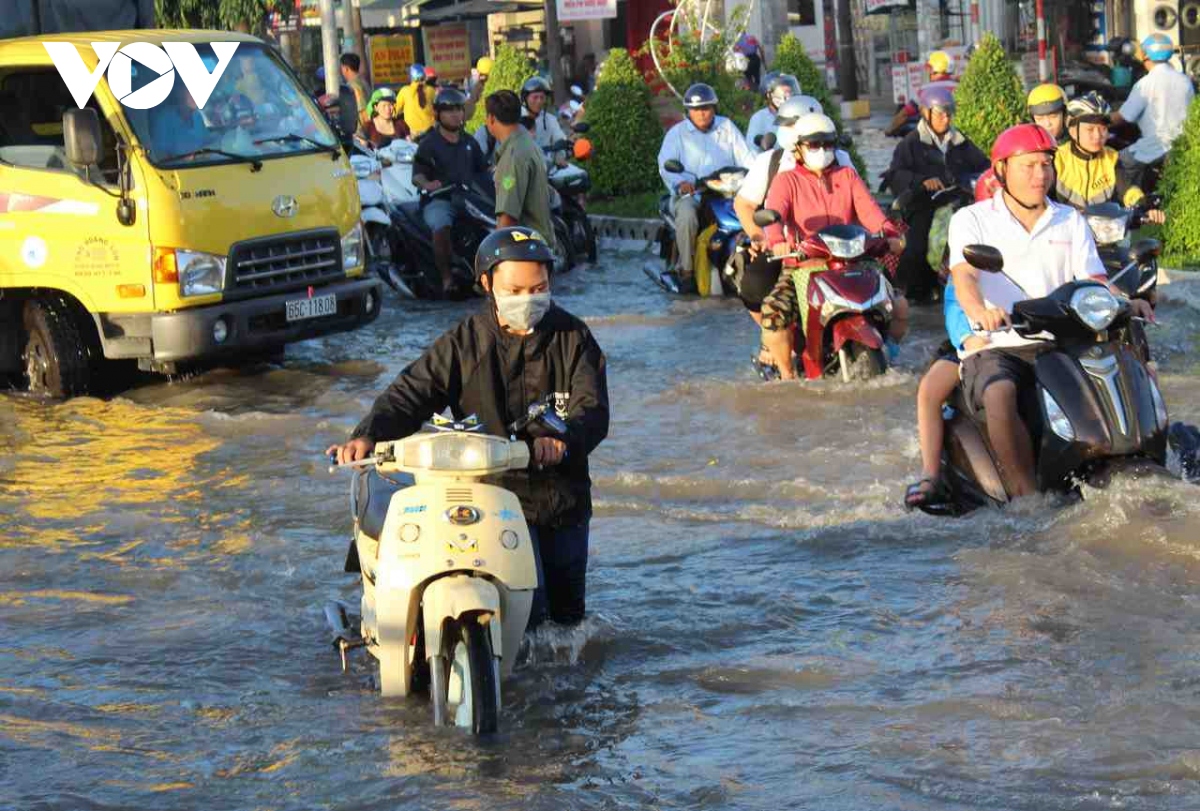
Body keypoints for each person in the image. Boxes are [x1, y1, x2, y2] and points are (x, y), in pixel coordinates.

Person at [327, 227, 609, 628]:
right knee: (522, 616)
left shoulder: (574, 338)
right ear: (486, 283)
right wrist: (368, 434)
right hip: (492, 505)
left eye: (539, 288)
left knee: (566, 629)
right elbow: (411, 394)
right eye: (515, 290)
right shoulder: (464, 343)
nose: (528, 300)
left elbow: (593, 410)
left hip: (563, 503)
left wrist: (563, 441)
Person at [947, 124, 1154, 498]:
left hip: (1062, 339)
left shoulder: (1069, 219)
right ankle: (1026, 498)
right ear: (1001, 171)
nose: (1040, 175)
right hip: (1000, 341)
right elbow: (964, 277)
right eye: (1028, 166)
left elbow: (1093, 279)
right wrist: (979, 310)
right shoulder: (972, 220)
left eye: (1046, 165)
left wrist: (1126, 299)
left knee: (1124, 369)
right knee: (999, 392)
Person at [759, 113, 908, 380]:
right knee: (773, 314)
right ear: (798, 148)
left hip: (852, 263)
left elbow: (871, 212)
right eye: (814, 145)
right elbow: (773, 214)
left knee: (899, 306)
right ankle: (787, 376)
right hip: (803, 266)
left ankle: (892, 352)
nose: (822, 151)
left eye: (828, 144)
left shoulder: (847, 176)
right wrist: (777, 242)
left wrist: (889, 234)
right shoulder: (786, 181)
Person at [733, 95, 850, 369]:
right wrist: (760, 237)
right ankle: (772, 340)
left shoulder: (840, 160)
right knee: (753, 286)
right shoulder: (771, 162)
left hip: (838, 248)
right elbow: (744, 203)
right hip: (786, 249)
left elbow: (860, 202)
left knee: (889, 294)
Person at [887, 83, 989, 302]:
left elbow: (982, 166)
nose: (946, 119)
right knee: (916, 246)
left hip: (957, 200)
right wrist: (923, 181)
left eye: (949, 114)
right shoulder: (910, 143)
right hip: (923, 203)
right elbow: (896, 174)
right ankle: (918, 290)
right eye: (941, 114)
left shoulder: (959, 141)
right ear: (926, 113)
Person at [657, 83, 755, 294]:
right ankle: (687, 270)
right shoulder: (677, 134)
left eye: (706, 108)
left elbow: (747, 157)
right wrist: (681, 183)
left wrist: (757, 174)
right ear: (688, 111)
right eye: (697, 109)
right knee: (687, 215)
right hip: (694, 193)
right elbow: (666, 165)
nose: (702, 113)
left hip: (726, 190)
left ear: (714, 109)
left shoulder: (726, 127)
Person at [413, 86, 489, 297]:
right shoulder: (428, 144)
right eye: (450, 110)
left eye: (459, 109)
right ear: (438, 114)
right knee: (441, 225)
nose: (456, 114)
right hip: (440, 200)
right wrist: (428, 185)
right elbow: (417, 175)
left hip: (468, 198)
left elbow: (483, 171)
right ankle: (447, 278)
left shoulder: (470, 142)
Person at [1054, 92, 1164, 222]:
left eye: (1103, 129)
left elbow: (1126, 189)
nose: (1097, 136)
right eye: (1090, 130)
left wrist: (1142, 203)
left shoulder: (1111, 158)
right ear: (1073, 132)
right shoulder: (1056, 159)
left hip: (1104, 231)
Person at [1111, 33, 1195, 193]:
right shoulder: (1185, 81)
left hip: (1154, 147)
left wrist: (1101, 118)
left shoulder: (1146, 83)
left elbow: (1123, 117)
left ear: (1146, 55)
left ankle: (1132, 205)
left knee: (1119, 162)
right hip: (1181, 146)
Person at [486, 89, 558, 249]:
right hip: (539, 245)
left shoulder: (513, 156)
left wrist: (496, 255)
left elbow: (507, 218)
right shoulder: (527, 143)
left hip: (524, 252)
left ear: (491, 118)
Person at [976, 84, 1069, 202]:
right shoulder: (1023, 148)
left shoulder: (1079, 145)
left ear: (1064, 114)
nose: (1047, 124)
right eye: (1040, 119)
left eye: (1053, 116)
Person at [885, 51, 957, 137]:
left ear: (935, 69)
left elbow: (904, 114)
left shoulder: (924, 90)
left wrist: (889, 130)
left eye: (930, 69)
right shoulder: (960, 86)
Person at [746, 72, 801, 151]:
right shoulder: (759, 118)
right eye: (784, 94)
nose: (789, 97)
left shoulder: (798, 114)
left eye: (790, 93)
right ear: (769, 95)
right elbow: (752, 150)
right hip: (771, 161)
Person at [520, 76, 567, 150]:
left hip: (545, 160)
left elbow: (560, 138)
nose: (539, 101)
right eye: (535, 97)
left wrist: (562, 143)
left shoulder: (550, 119)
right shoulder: (516, 118)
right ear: (525, 99)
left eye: (542, 97)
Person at [396, 63, 436, 138]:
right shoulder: (431, 90)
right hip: (431, 131)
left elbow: (395, 110)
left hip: (413, 133)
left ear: (411, 77)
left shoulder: (405, 91)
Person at [339, 53, 372, 134]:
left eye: (341, 67)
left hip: (360, 132)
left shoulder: (353, 86)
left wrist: (364, 134)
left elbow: (362, 110)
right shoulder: (364, 82)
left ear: (345, 68)